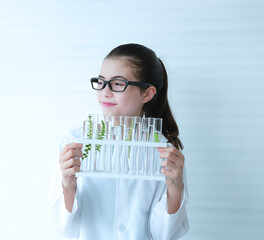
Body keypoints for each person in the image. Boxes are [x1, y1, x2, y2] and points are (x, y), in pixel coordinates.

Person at [49, 43, 189, 240]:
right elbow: (66, 230)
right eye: (101, 81)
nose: (105, 91)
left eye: (117, 83)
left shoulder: (164, 150)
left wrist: (175, 188)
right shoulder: (74, 143)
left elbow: (163, 235)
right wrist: (68, 184)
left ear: (147, 93)